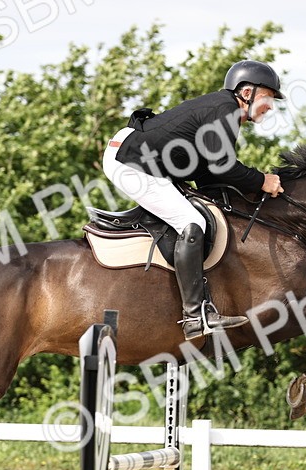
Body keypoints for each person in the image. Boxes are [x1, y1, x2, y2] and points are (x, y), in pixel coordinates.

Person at [103, 60, 286, 340]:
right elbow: (223, 166)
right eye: (267, 98)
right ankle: (195, 315)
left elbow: (209, 171)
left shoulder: (224, 111)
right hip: (131, 163)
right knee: (192, 221)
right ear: (247, 93)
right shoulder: (224, 109)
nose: (270, 106)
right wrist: (262, 180)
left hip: (141, 159)